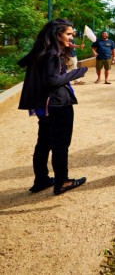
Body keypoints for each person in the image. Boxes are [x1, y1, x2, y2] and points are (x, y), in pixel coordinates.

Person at [18, 19, 88, 195]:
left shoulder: (43, 51)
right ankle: (62, 182)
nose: (72, 37)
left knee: (44, 143)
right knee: (60, 145)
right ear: (58, 34)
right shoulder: (52, 54)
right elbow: (52, 80)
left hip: (46, 105)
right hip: (57, 104)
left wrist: (67, 49)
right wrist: (78, 72)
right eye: (69, 34)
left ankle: (41, 180)